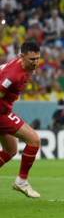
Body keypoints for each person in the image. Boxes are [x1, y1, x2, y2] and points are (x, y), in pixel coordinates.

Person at [0, 41, 42, 198]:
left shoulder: (22, 64)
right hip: (1, 113)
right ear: (22, 57)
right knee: (34, 140)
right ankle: (21, 181)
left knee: (10, 151)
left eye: (37, 58)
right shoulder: (12, 77)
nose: (35, 62)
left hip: (4, 110)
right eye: (32, 59)